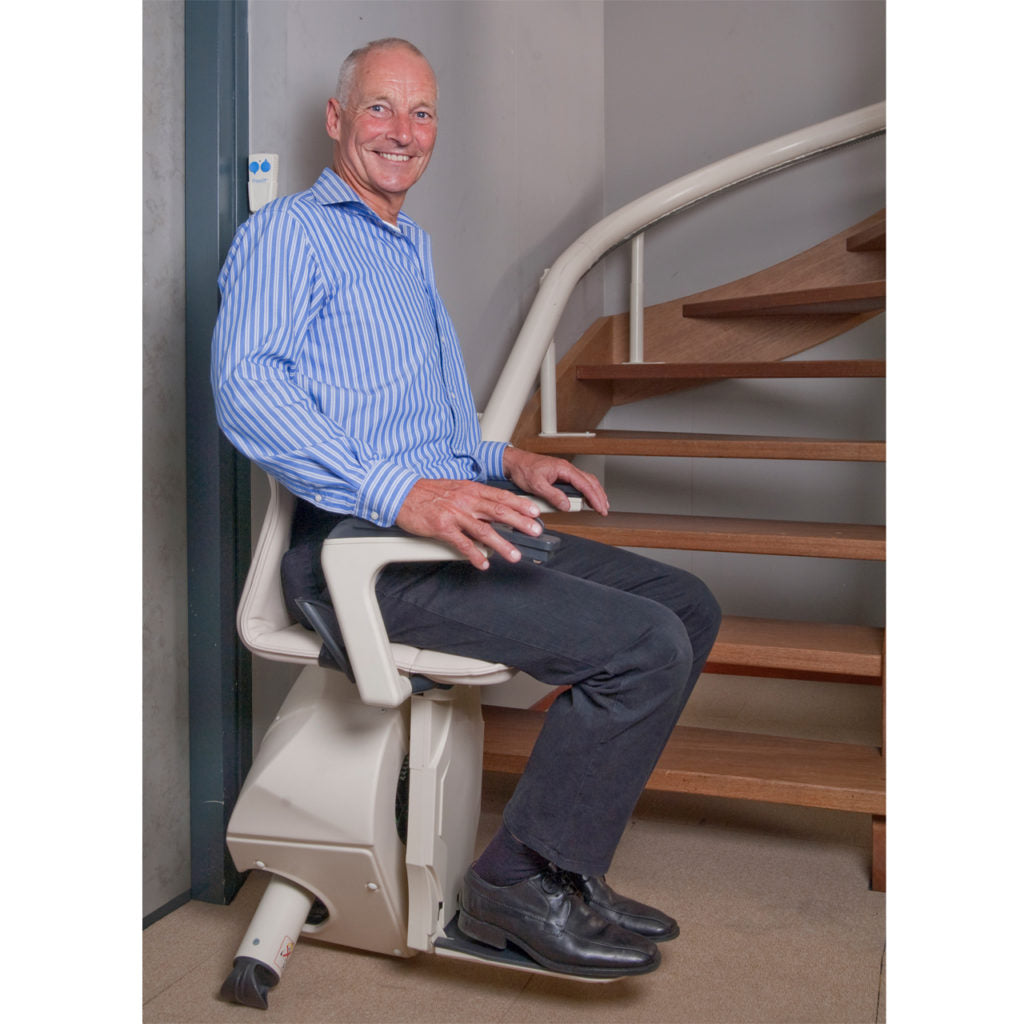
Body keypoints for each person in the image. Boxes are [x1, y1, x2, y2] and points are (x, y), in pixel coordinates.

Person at [212, 38, 721, 980]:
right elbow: (247, 389)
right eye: (379, 108)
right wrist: (399, 492)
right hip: (358, 549)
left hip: (446, 521)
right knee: (643, 646)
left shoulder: (406, 248)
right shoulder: (290, 234)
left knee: (686, 608)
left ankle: (562, 869)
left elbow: (434, 431)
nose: (402, 133)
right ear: (336, 118)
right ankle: (513, 888)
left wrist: (506, 459)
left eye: (422, 114)